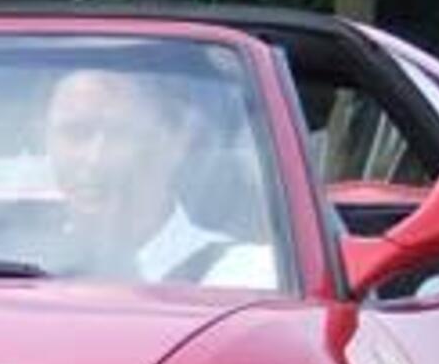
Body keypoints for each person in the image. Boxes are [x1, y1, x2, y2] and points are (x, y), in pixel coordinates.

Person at [41, 67, 279, 287]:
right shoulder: (21, 262)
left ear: (175, 144)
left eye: (121, 133)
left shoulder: (245, 273)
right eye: (75, 133)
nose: (94, 159)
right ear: (45, 139)